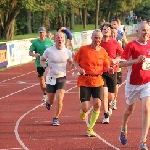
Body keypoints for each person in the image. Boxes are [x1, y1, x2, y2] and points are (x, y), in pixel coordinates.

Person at [73, 29, 113, 137]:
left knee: (97, 104)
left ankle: (90, 128)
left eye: (99, 38)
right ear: (91, 38)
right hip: (85, 80)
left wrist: (109, 70)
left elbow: (107, 65)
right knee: (85, 107)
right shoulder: (83, 49)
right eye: (96, 38)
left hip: (98, 80)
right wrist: (79, 69)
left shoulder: (103, 51)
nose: (98, 40)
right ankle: (83, 111)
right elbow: (75, 61)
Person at [119, 22, 150, 150]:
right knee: (129, 110)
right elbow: (121, 64)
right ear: (137, 32)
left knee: (147, 109)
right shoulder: (131, 45)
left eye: (148, 30)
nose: (146, 33)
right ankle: (124, 127)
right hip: (133, 84)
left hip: (147, 82)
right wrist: (136, 61)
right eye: (143, 30)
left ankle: (143, 140)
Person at [40, 32, 73, 126]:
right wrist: (45, 67)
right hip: (50, 77)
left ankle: (56, 118)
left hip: (61, 77)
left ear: (64, 39)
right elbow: (42, 60)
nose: (59, 39)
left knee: (59, 98)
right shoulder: (49, 51)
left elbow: (71, 61)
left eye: (61, 37)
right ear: (54, 39)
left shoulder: (67, 51)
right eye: (57, 37)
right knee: (51, 100)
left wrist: (72, 65)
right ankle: (48, 102)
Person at [100, 23, 123, 124]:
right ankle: (105, 114)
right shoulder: (98, 42)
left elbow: (121, 54)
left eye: (108, 29)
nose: (106, 30)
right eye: (104, 29)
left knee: (111, 96)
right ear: (101, 31)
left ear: (110, 32)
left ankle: (109, 106)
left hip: (112, 71)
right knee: (104, 94)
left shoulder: (114, 42)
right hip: (101, 71)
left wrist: (116, 60)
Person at [29, 27, 54, 102]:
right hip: (39, 64)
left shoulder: (50, 42)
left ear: (45, 33)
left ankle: (50, 92)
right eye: (40, 32)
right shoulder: (35, 42)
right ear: (38, 33)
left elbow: (54, 50)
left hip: (48, 64)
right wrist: (34, 55)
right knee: (42, 82)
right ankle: (45, 93)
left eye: (43, 32)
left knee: (48, 79)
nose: (41, 34)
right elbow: (30, 52)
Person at [111, 19, 129, 110]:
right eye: (112, 24)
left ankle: (114, 100)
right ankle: (109, 99)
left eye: (115, 24)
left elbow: (127, 44)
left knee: (116, 84)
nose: (113, 25)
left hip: (117, 64)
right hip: (106, 65)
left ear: (118, 25)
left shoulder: (121, 35)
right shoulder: (106, 36)